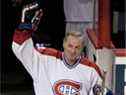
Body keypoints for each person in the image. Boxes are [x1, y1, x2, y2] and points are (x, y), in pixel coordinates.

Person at [12, 3, 104, 95]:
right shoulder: (44, 60)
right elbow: (20, 48)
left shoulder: (92, 70)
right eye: (70, 46)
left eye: (77, 47)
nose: (73, 51)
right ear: (63, 44)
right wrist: (24, 31)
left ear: (82, 49)